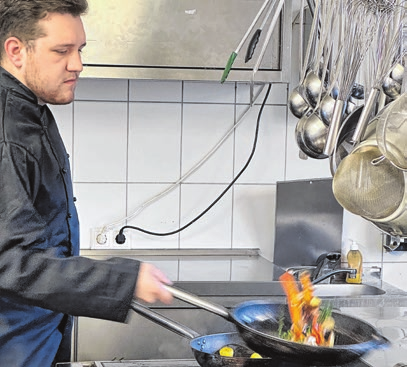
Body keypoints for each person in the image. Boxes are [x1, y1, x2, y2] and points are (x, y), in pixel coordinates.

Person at [0, 1, 173, 366]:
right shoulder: (6, 131)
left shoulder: (29, 109)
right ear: (16, 51)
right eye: (62, 51)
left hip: (36, 338)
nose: (77, 64)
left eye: (79, 50)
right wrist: (121, 281)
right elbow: (12, 262)